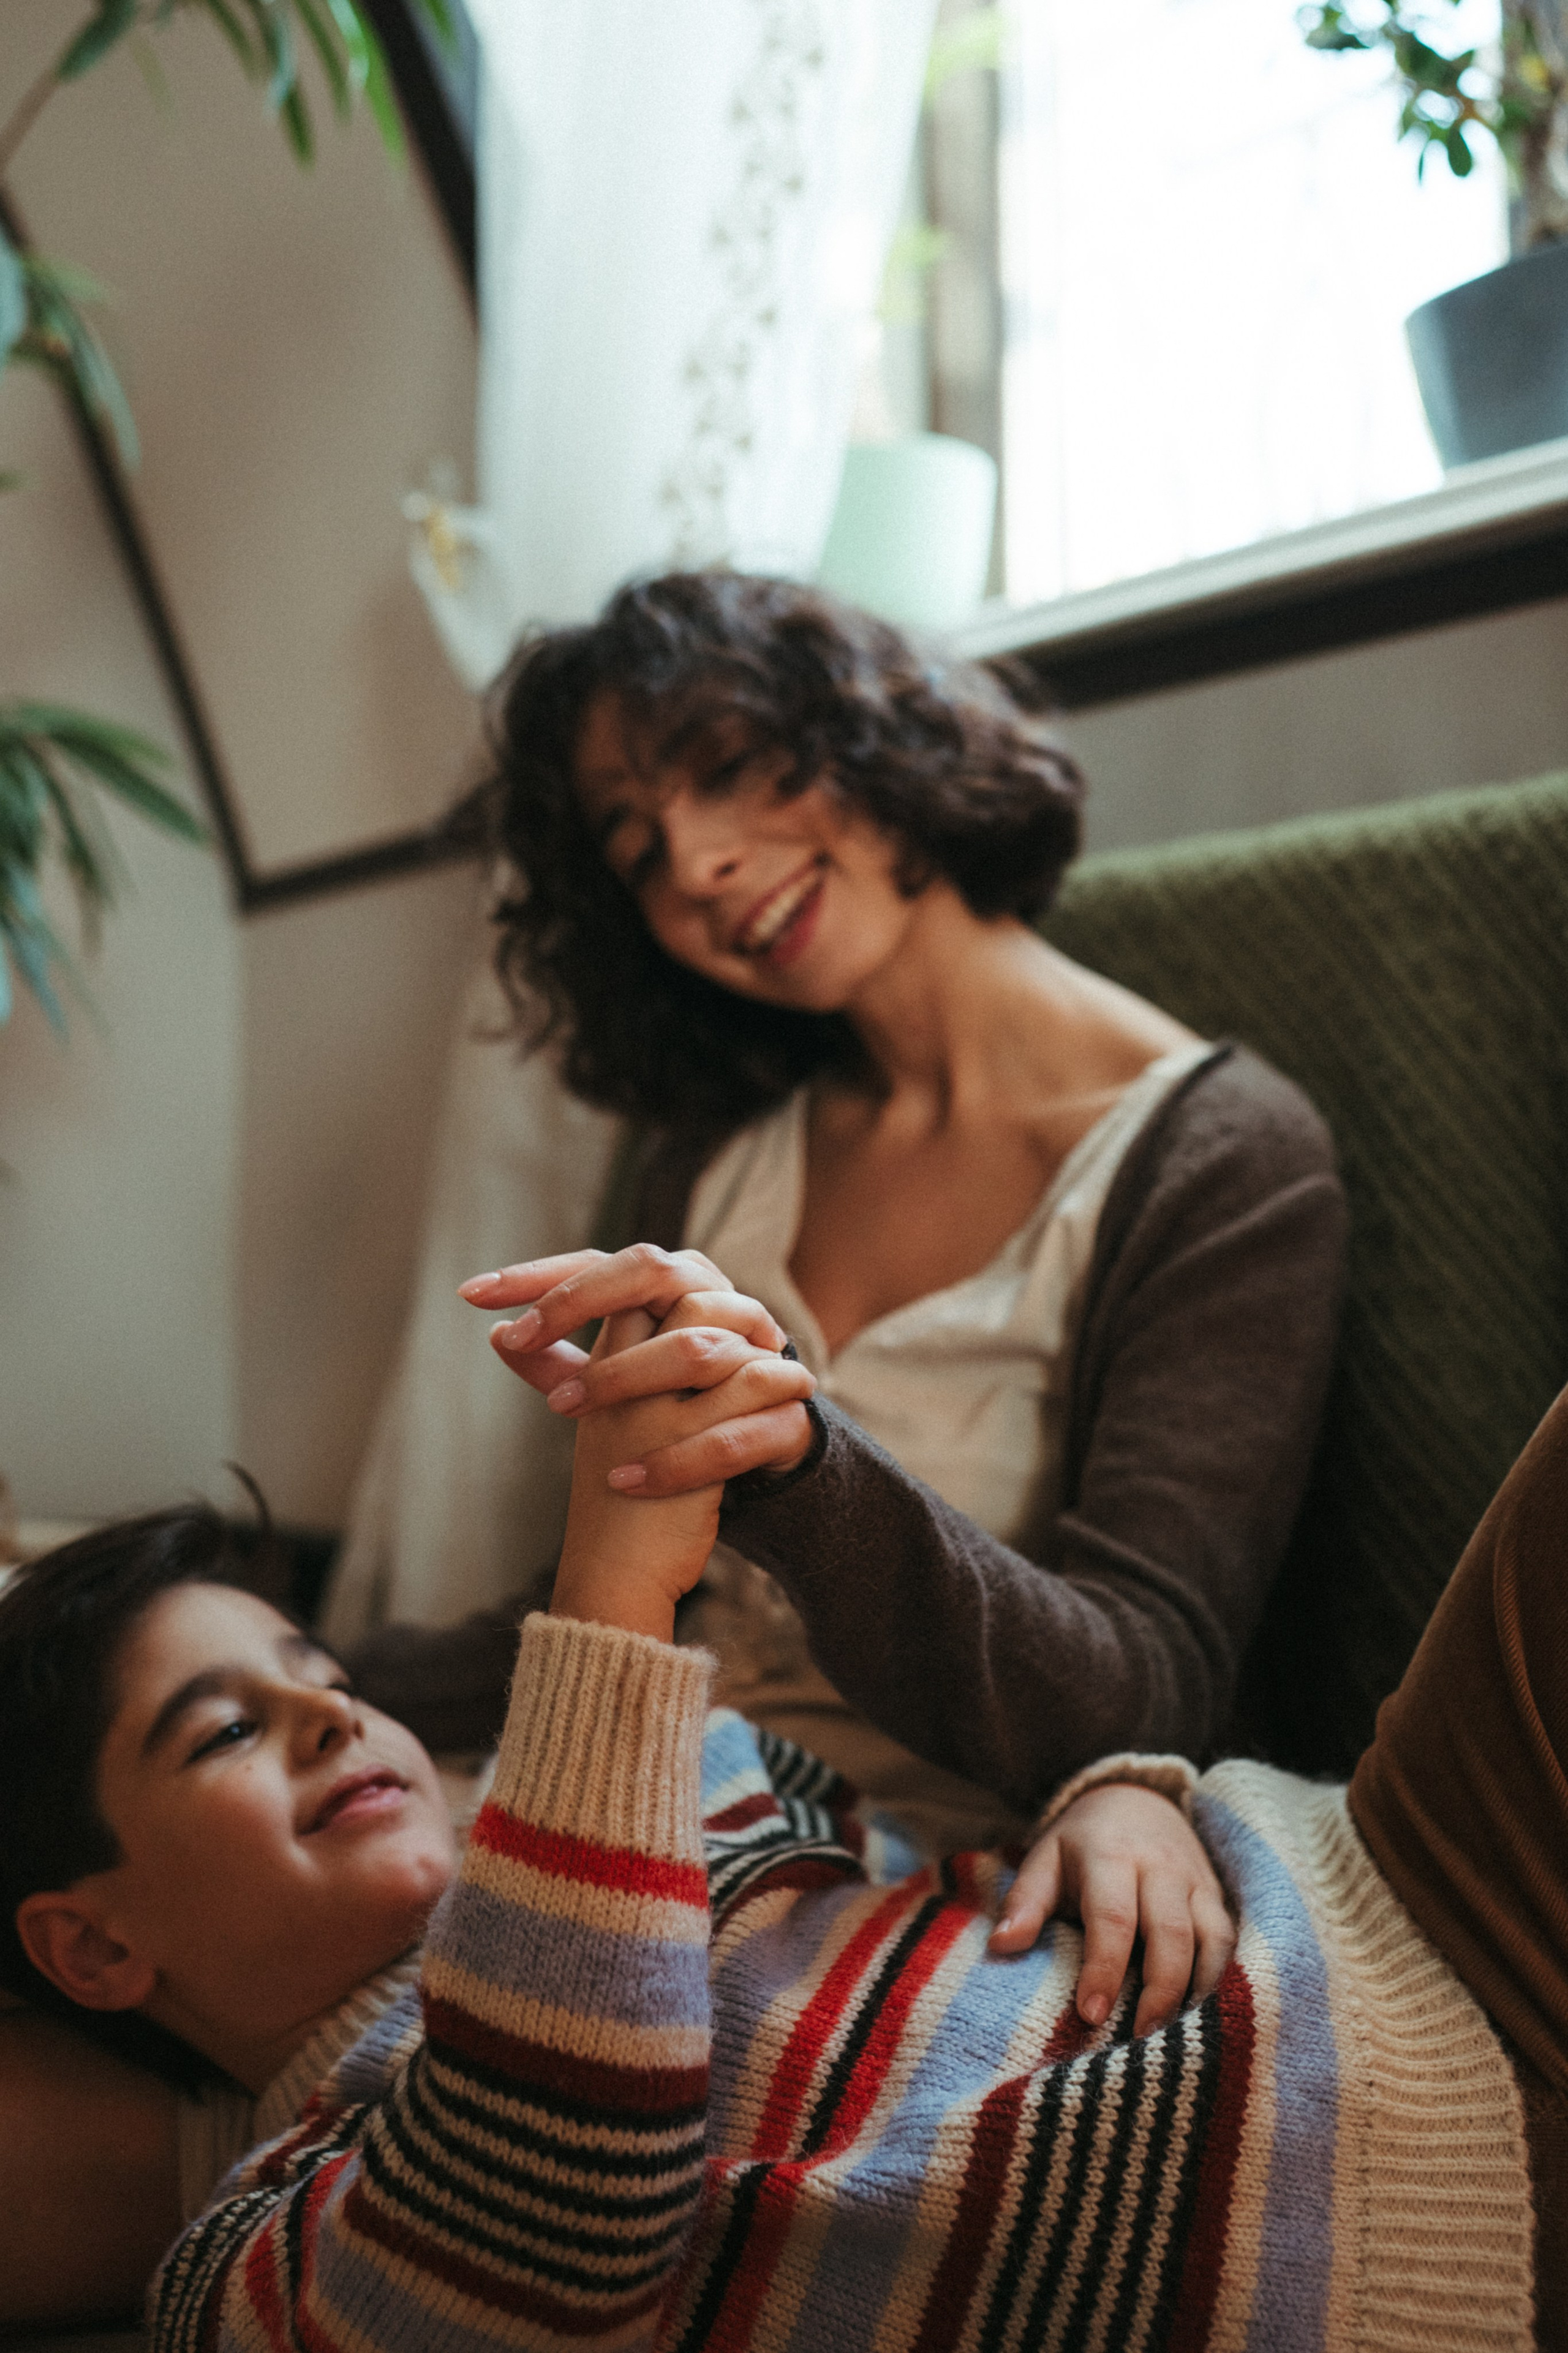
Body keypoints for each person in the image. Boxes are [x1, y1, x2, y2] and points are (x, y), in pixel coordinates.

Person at [6, 1315, 1566, 2346]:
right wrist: (610, 1591)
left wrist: (1119, 1791)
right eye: (220, 1728)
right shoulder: (255, 2264)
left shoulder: (704, 1764)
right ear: (90, 1943)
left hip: (1398, 1885)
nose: (332, 1716)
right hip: (1386, 2244)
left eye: (324, 1674)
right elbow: (554, 2214)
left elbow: (964, 1878)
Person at [350, 571, 1349, 1848]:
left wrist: (799, 1465)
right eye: (639, 849)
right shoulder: (716, 1159)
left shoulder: (1216, 1161)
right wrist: (294, 1671)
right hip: (644, 1799)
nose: (700, 865)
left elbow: (1140, 1693)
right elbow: (588, 1611)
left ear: (870, 728)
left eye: (728, 765)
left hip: (936, 1871)